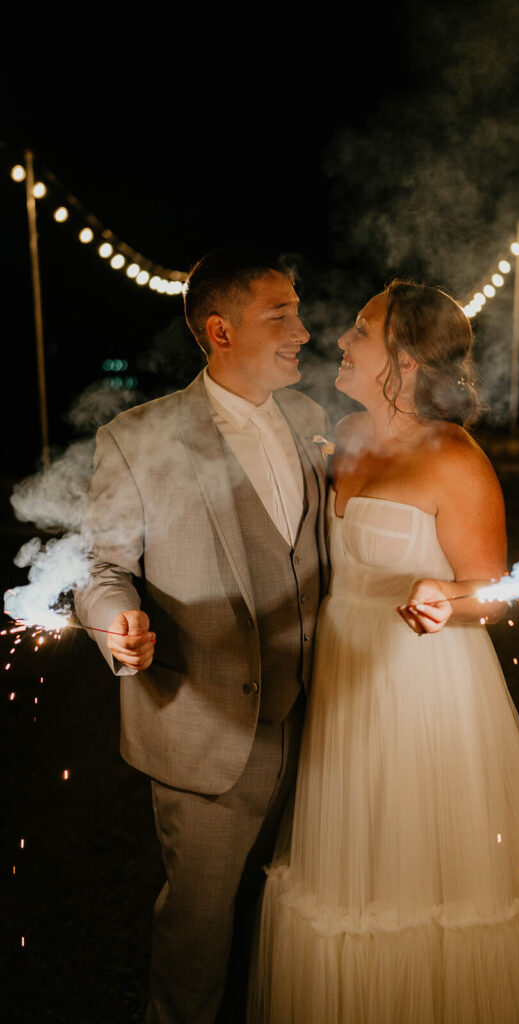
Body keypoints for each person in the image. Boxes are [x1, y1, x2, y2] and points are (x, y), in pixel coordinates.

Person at [249, 280, 519, 1023]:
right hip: (343, 678)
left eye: (361, 329)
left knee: (428, 879)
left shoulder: (455, 458)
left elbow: (489, 592)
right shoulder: (343, 439)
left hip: (423, 687)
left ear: (407, 358)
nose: (342, 341)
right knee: (346, 874)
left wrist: (441, 598)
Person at [74, 250, 330, 1024]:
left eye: (299, 311)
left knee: (299, 910)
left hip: (322, 719)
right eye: (280, 315)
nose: (304, 332)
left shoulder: (313, 421)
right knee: (198, 927)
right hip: (206, 724)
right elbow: (101, 565)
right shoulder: (137, 437)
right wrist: (114, 627)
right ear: (220, 330)